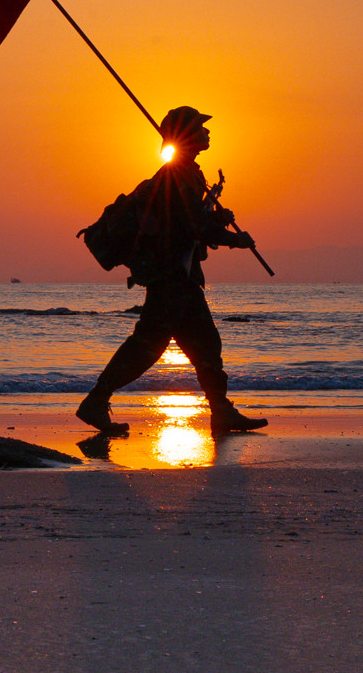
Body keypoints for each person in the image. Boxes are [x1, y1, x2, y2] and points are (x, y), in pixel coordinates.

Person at [76, 105, 267, 436]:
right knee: (147, 348)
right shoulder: (175, 176)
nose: (208, 132)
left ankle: (221, 411)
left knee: (205, 345)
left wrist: (217, 220)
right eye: (200, 127)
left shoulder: (189, 174)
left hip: (182, 278)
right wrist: (235, 240)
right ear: (187, 135)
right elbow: (193, 226)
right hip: (170, 279)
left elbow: (190, 222)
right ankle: (96, 401)